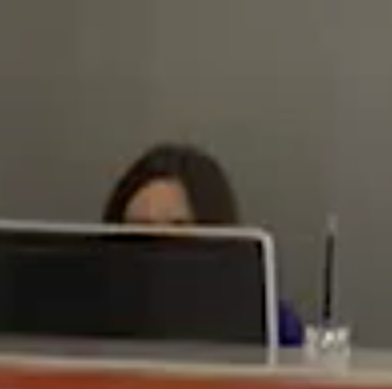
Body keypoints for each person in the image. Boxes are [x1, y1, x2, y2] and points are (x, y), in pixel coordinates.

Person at [103, 143, 305, 348]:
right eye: (140, 230)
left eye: (177, 228)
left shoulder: (266, 323)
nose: (158, 247)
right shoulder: (94, 313)